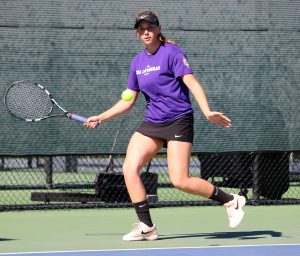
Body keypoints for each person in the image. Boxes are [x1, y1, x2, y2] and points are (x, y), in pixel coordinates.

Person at [85, 10, 246, 241]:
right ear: (137, 34)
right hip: (153, 122)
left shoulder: (172, 53)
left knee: (180, 180)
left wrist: (207, 111)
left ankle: (230, 200)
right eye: (141, 29)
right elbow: (128, 99)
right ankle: (146, 226)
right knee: (129, 169)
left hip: (179, 120)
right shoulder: (137, 62)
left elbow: (192, 83)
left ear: (158, 29)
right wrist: (101, 116)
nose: (146, 32)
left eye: (150, 27)